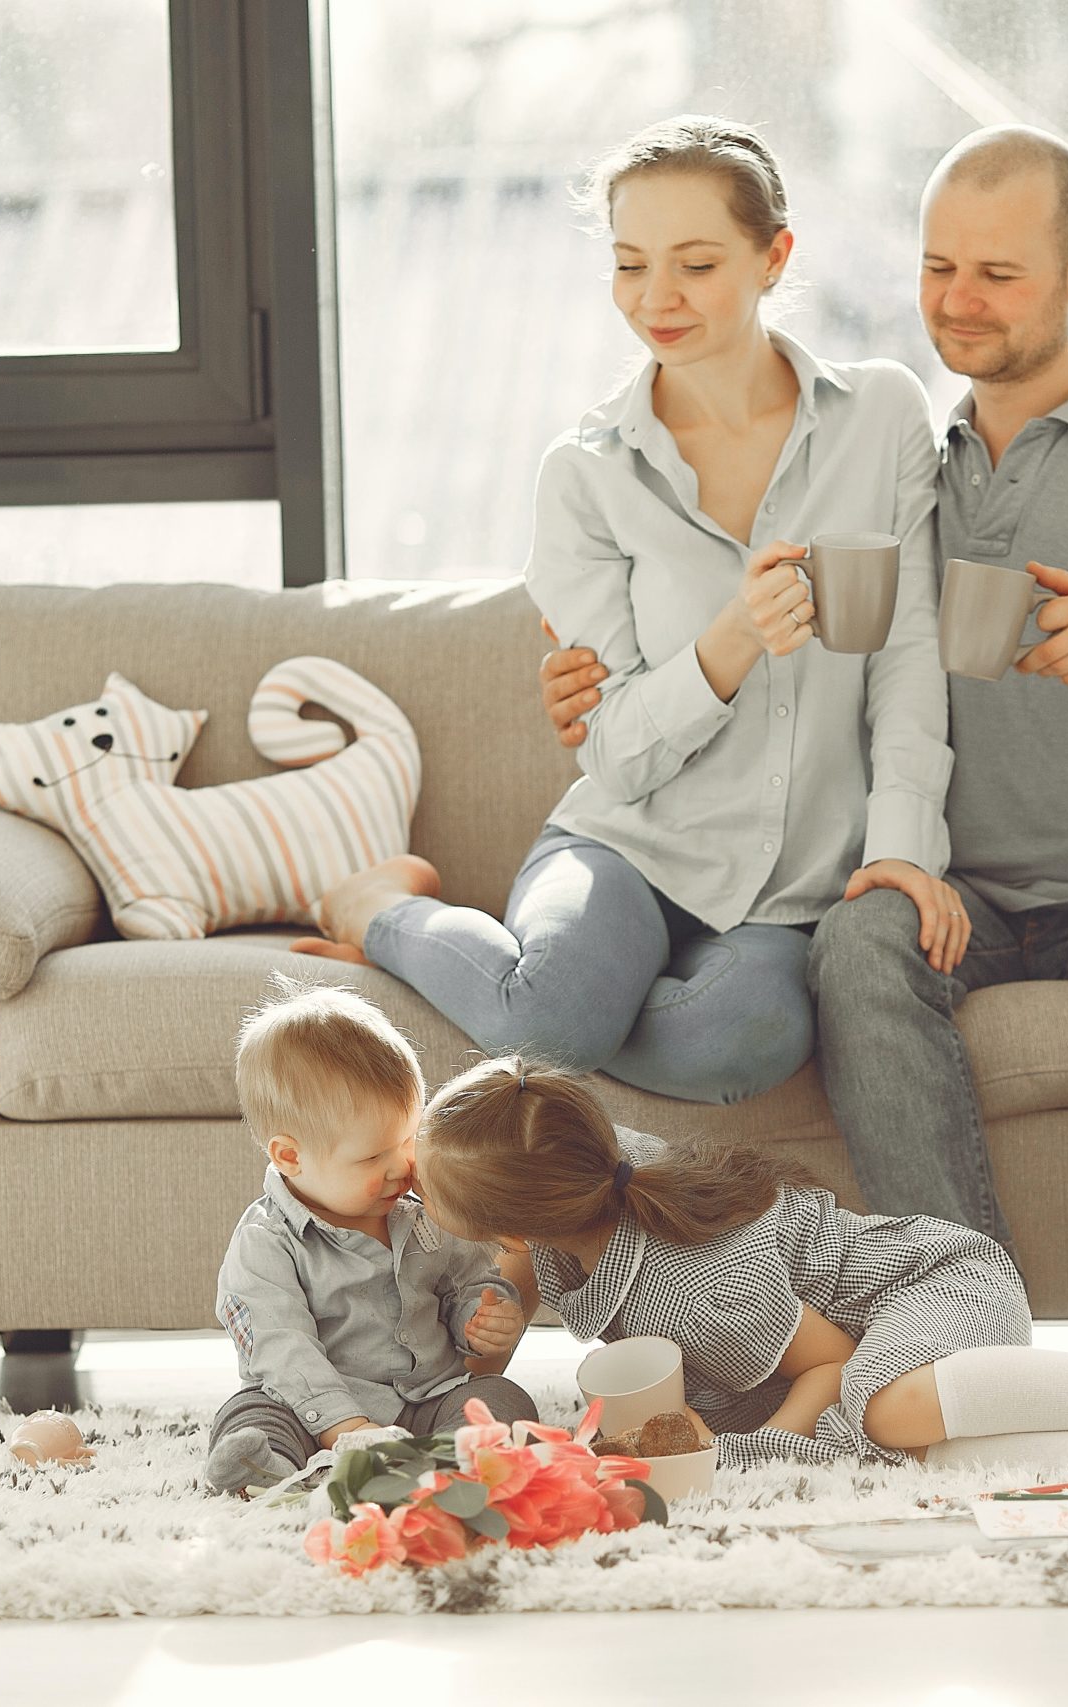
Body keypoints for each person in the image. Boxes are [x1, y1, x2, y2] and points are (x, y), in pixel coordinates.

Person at [542, 126, 1068, 1363]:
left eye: (997, 276)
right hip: (948, 885)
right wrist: (596, 681)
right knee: (857, 943)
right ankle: (974, 1313)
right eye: (935, 269)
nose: (956, 304)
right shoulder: (902, 450)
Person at [293, 115, 962, 1106]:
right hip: (628, 846)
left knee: (745, 1038)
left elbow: (907, 652)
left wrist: (900, 849)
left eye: (695, 263)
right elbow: (612, 752)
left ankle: (567, 992)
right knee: (550, 1021)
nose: (656, 299)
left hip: (793, 891)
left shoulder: (882, 416)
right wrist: (732, 641)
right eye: (629, 265)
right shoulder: (587, 475)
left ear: (774, 256)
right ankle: (379, 909)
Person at [411, 1057, 1068, 1475]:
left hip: (940, 1285)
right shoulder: (590, 1169)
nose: (409, 1185)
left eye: (426, 1186)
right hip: (888, 1333)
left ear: (518, 1222)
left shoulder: (698, 1287)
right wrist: (502, 1310)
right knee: (919, 1448)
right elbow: (523, 1273)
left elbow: (828, 1361)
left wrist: (766, 1448)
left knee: (875, 1411)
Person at [203, 985, 537, 1495]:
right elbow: (281, 1348)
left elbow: (470, 1281)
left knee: (503, 1398)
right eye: (372, 1157)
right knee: (250, 1413)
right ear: (290, 1157)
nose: (403, 1166)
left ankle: (442, 1463)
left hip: (426, 1400)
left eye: (409, 1140)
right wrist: (345, 1430)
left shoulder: (421, 1215)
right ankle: (268, 1470)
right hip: (314, 1412)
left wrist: (483, 1316)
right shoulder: (265, 1242)